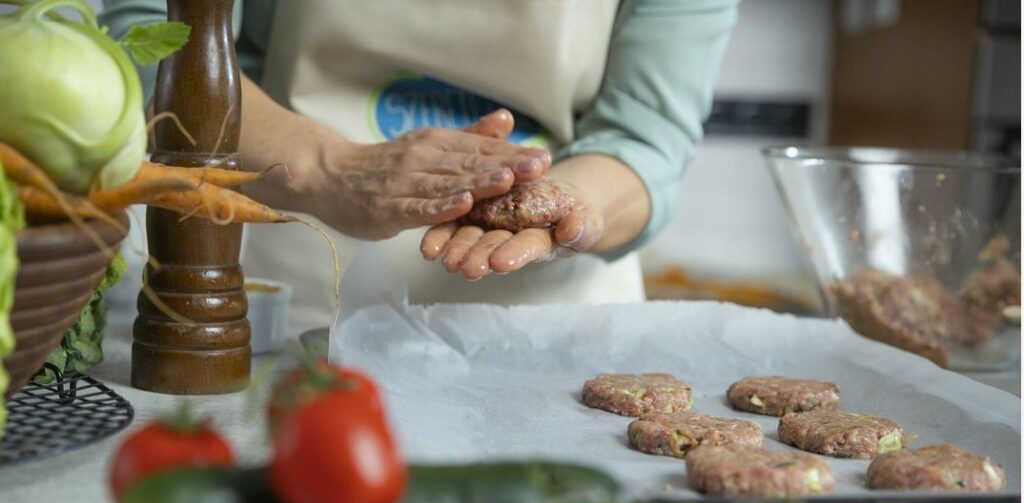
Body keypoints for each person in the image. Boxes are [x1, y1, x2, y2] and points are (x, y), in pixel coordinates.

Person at [102, 0, 739, 328]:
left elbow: (647, 138)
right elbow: (155, 38)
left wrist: (573, 203)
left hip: (557, 331)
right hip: (288, 308)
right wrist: (325, 167)